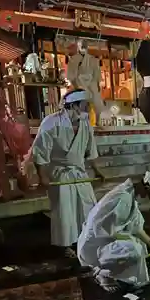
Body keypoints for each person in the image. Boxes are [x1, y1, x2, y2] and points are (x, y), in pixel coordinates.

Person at [30, 89, 105, 254]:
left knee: (87, 206)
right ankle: (64, 247)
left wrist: (97, 171)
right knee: (65, 211)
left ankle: (86, 241)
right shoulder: (51, 123)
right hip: (60, 174)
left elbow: (90, 149)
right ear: (74, 105)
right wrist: (42, 176)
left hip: (79, 172)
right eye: (85, 105)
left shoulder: (85, 123)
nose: (88, 109)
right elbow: (40, 151)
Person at [77, 177, 150, 292]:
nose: (149, 200)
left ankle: (136, 280)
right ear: (146, 189)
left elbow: (136, 228)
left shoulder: (130, 197)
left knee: (139, 246)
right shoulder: (122, 198)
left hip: (103, 242)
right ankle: (102, 273)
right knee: (134, 248)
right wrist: (131, 239)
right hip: (93, 247)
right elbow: (103, 231)